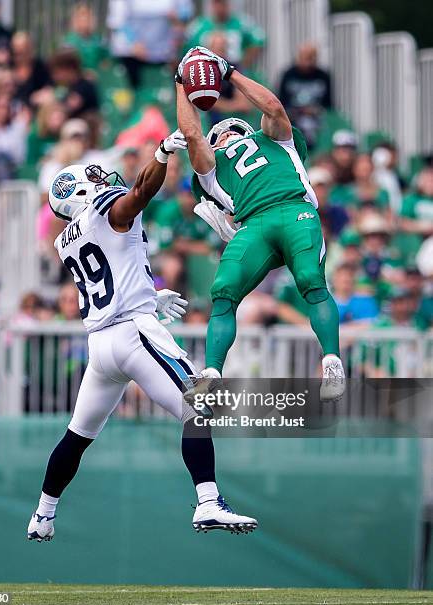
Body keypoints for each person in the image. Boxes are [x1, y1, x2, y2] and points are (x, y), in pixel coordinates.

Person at [27, 129, 257, 542]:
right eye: (94, 179)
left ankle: (43, 515)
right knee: (198, 407)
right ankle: (207, 502)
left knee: (77, 436)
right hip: (133, 333)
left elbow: (110, 266)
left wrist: (149, 293)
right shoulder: (104, 209)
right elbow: (141, 193)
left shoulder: (65, 239)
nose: (103, 180)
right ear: (81, 193)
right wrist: (164, 152)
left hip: (101, 346)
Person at [176, 46, 345, 402]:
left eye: (231, 129)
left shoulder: (272, 138)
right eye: (218, 134)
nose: (225, 135)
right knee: (223, 292)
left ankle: (331, 360)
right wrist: (181, 83)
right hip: (255, 225)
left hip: (293, 208)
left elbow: (273, 108)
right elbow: (192, 135)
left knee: (311, 281)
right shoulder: (212, 167)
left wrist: (229, 72)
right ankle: (211, 372)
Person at [278, 43, 332, 150]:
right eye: (304, 57)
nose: (307, 62)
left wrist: (315, 110)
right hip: (292, 117)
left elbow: (328, 104)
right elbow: (281, 101)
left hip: (316, 118)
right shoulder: (288, 74)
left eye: (310, 58)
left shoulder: (323, 76)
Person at [185, 0, 265, 70]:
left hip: (235, 69)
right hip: (207, 72)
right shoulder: (199, 26)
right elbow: (186, 46)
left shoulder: (241, 22)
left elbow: (259, 39)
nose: (219, 8)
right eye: (216, 3)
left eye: (223, 3)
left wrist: (244, 64)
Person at [62, 3, 109, 77]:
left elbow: (107, 60)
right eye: (82, 18)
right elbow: (67, 63)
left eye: (88, 18)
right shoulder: (69, 41)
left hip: (98, 77)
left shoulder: (99, 39)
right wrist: (84, 73)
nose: (85, 22)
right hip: (77, 77)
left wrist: (100, 72)